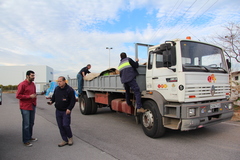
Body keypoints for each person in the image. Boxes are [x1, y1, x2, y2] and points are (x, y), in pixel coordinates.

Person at [47, 76, 76, 147]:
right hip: (58, 110)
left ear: (64, 81)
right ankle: (64, 140)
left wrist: (69, 108)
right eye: (58, 81)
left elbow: (73, 101)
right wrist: (51, 101)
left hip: (66, 111)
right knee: (60, 126)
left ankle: (70, 138)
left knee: (65, 125)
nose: (58, 83)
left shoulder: (69, 90)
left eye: (60, 81)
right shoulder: (57, 89)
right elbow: (54, 97)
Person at [16, 70, 38, 147]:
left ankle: (29, 137)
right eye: (32, 76)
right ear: (27, 76)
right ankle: (25, 140)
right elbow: (18, 95)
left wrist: (34, 99)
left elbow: (34, 94)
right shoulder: (22, 84)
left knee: (31, 123)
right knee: (26, 124)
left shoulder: (33, 84)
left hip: (32, 105)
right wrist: (29, 96)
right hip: (25, 107)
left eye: (34, 75)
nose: (33, 77)